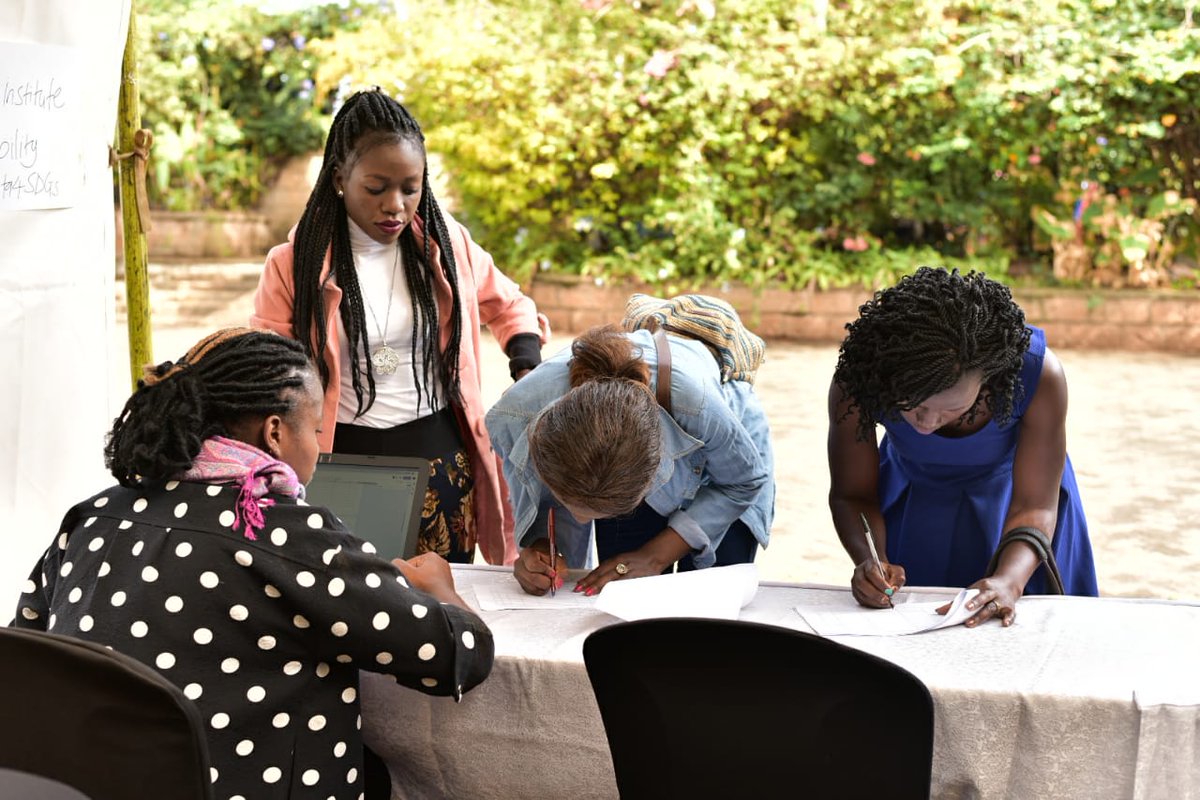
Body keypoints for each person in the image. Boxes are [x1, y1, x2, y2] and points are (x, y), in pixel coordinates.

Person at [11, 328, 494, 800]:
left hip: (96, 783)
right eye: (318, 430)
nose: (320, 449)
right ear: (276, 432)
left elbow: (29, 646)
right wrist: (440, 589)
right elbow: (456, 655)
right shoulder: (282, 532)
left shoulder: (90, 517)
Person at [252, 87, 548, 567]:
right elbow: (266, 362)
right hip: (336, 458)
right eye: (376, 188)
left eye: (410, 187)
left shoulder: (446, 244)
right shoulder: (293, 264)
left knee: (441, 602)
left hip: (440, 461)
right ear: (339, 179)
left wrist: (526, 366)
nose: (395, 204)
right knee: (346, 601)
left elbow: (511, 305)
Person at [827, 267, 1098, 628]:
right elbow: (852, 495)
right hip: (917, 508)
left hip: (1019, 517)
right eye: (912, 405)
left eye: (951, 410)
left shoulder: (1038, 374)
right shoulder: (859, 381)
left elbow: (1035, 506)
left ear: (988, 377)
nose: (925, 424)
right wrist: (868, 559)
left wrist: (1008, 581)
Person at [487, 324, 774, 596]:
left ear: (654, 472)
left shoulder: (696, 404)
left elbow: (744, 482)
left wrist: (654, 557)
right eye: (567, 500)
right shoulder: (514, 417)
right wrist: (539, 549)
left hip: (727, 469)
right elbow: (533, 497)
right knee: (623, 591)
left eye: (601, 511)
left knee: (708, 598)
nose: (581, 520)